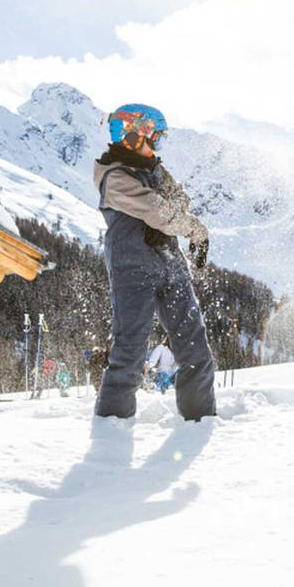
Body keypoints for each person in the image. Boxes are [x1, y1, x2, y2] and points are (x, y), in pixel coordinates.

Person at [94, 103, 216, 421]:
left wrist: (176, 208)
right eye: (156, 138)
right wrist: (194, 230)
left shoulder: (154, 170)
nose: (159, 146)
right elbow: (159, 212)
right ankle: (112, 426)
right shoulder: (115, 177)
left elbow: (180, 200)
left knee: (195, 345)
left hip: (169, 263)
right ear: (136, 135)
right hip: (132, 267)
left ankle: (200, 420)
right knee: (131, 350)